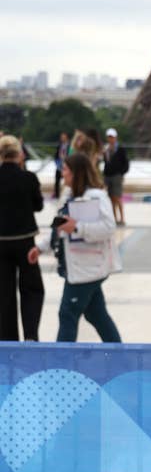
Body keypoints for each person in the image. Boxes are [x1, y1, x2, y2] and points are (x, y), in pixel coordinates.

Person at [53, 153, 122, 343]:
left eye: (66, 169)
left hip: (87, 269)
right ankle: (119, 354)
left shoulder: (97, 196)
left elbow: (109, 227)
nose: (62, 172)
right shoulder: (69, 196)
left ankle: (61, 366)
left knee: (67, 314)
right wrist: (41, 247)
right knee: (96, 315)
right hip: (79, 267)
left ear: (76, 173)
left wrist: (78, 227)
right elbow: (60, 228)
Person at [0, 134, 44, 340]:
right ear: (19, 154)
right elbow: (38, 205)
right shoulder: (29, 178)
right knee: (32, 290)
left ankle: (8, 338)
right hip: (25, 242)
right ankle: (31, 336)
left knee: (4, 294)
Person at [103, 128, 129, 226]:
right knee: (111, 198)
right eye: (109, 137)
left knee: (117, 197)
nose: (110, 139)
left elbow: (126, 163)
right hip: (108, 176)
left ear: (115, 137)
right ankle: (114, 218)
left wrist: (121, 173)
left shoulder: (120, 149)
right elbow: (106, 162)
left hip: (116, 176)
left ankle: (122, 218)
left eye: (112, 137)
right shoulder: (106, 149)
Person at [54, 132, 69, 199]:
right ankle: (57, 195)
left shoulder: (69, 145)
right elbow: (56, 156)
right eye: (61, 137)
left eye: (64, 137)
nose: (62, 138)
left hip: (67, 165)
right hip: (60, 165)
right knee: (57, 180)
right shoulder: (59, 145)